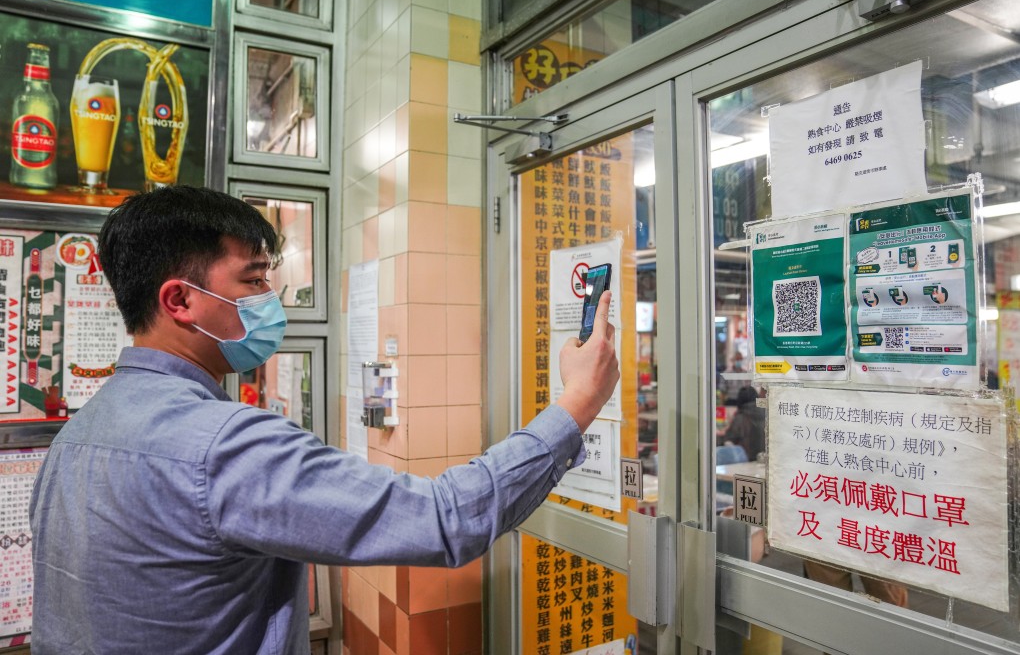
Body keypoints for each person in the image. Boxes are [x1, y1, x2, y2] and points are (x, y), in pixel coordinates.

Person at [29, 186, 620, 654]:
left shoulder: (80, 433)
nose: (270, 302)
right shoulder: (222, 447)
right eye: (255, 281)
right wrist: (579, 401)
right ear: (178, 301)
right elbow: (447, 519)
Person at [722, 385, 765, 460]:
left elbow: (728, 442)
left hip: (747, 462)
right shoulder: (767, 414)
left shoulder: (740, 417)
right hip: (765, 461)